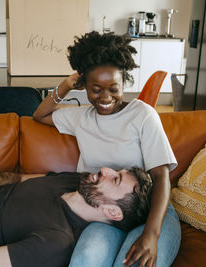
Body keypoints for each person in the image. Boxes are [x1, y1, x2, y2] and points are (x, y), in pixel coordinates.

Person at [33, 31, 181, 267]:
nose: (105, 97)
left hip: (150, 212)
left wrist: (152, 234)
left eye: (113, 88)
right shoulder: (81, 118)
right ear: (85, 87)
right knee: (85, 261)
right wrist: (67, 84)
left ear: (124, 83)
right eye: (96, 89)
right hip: (103, 216)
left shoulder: (143, 115)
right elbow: (40, 115)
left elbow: (161, 176)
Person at [0, 136, 152, 266]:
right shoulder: (76, 181)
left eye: (115, 180)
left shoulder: (55, 243)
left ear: (113, 211)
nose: (107, 169)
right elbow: (17, 177)